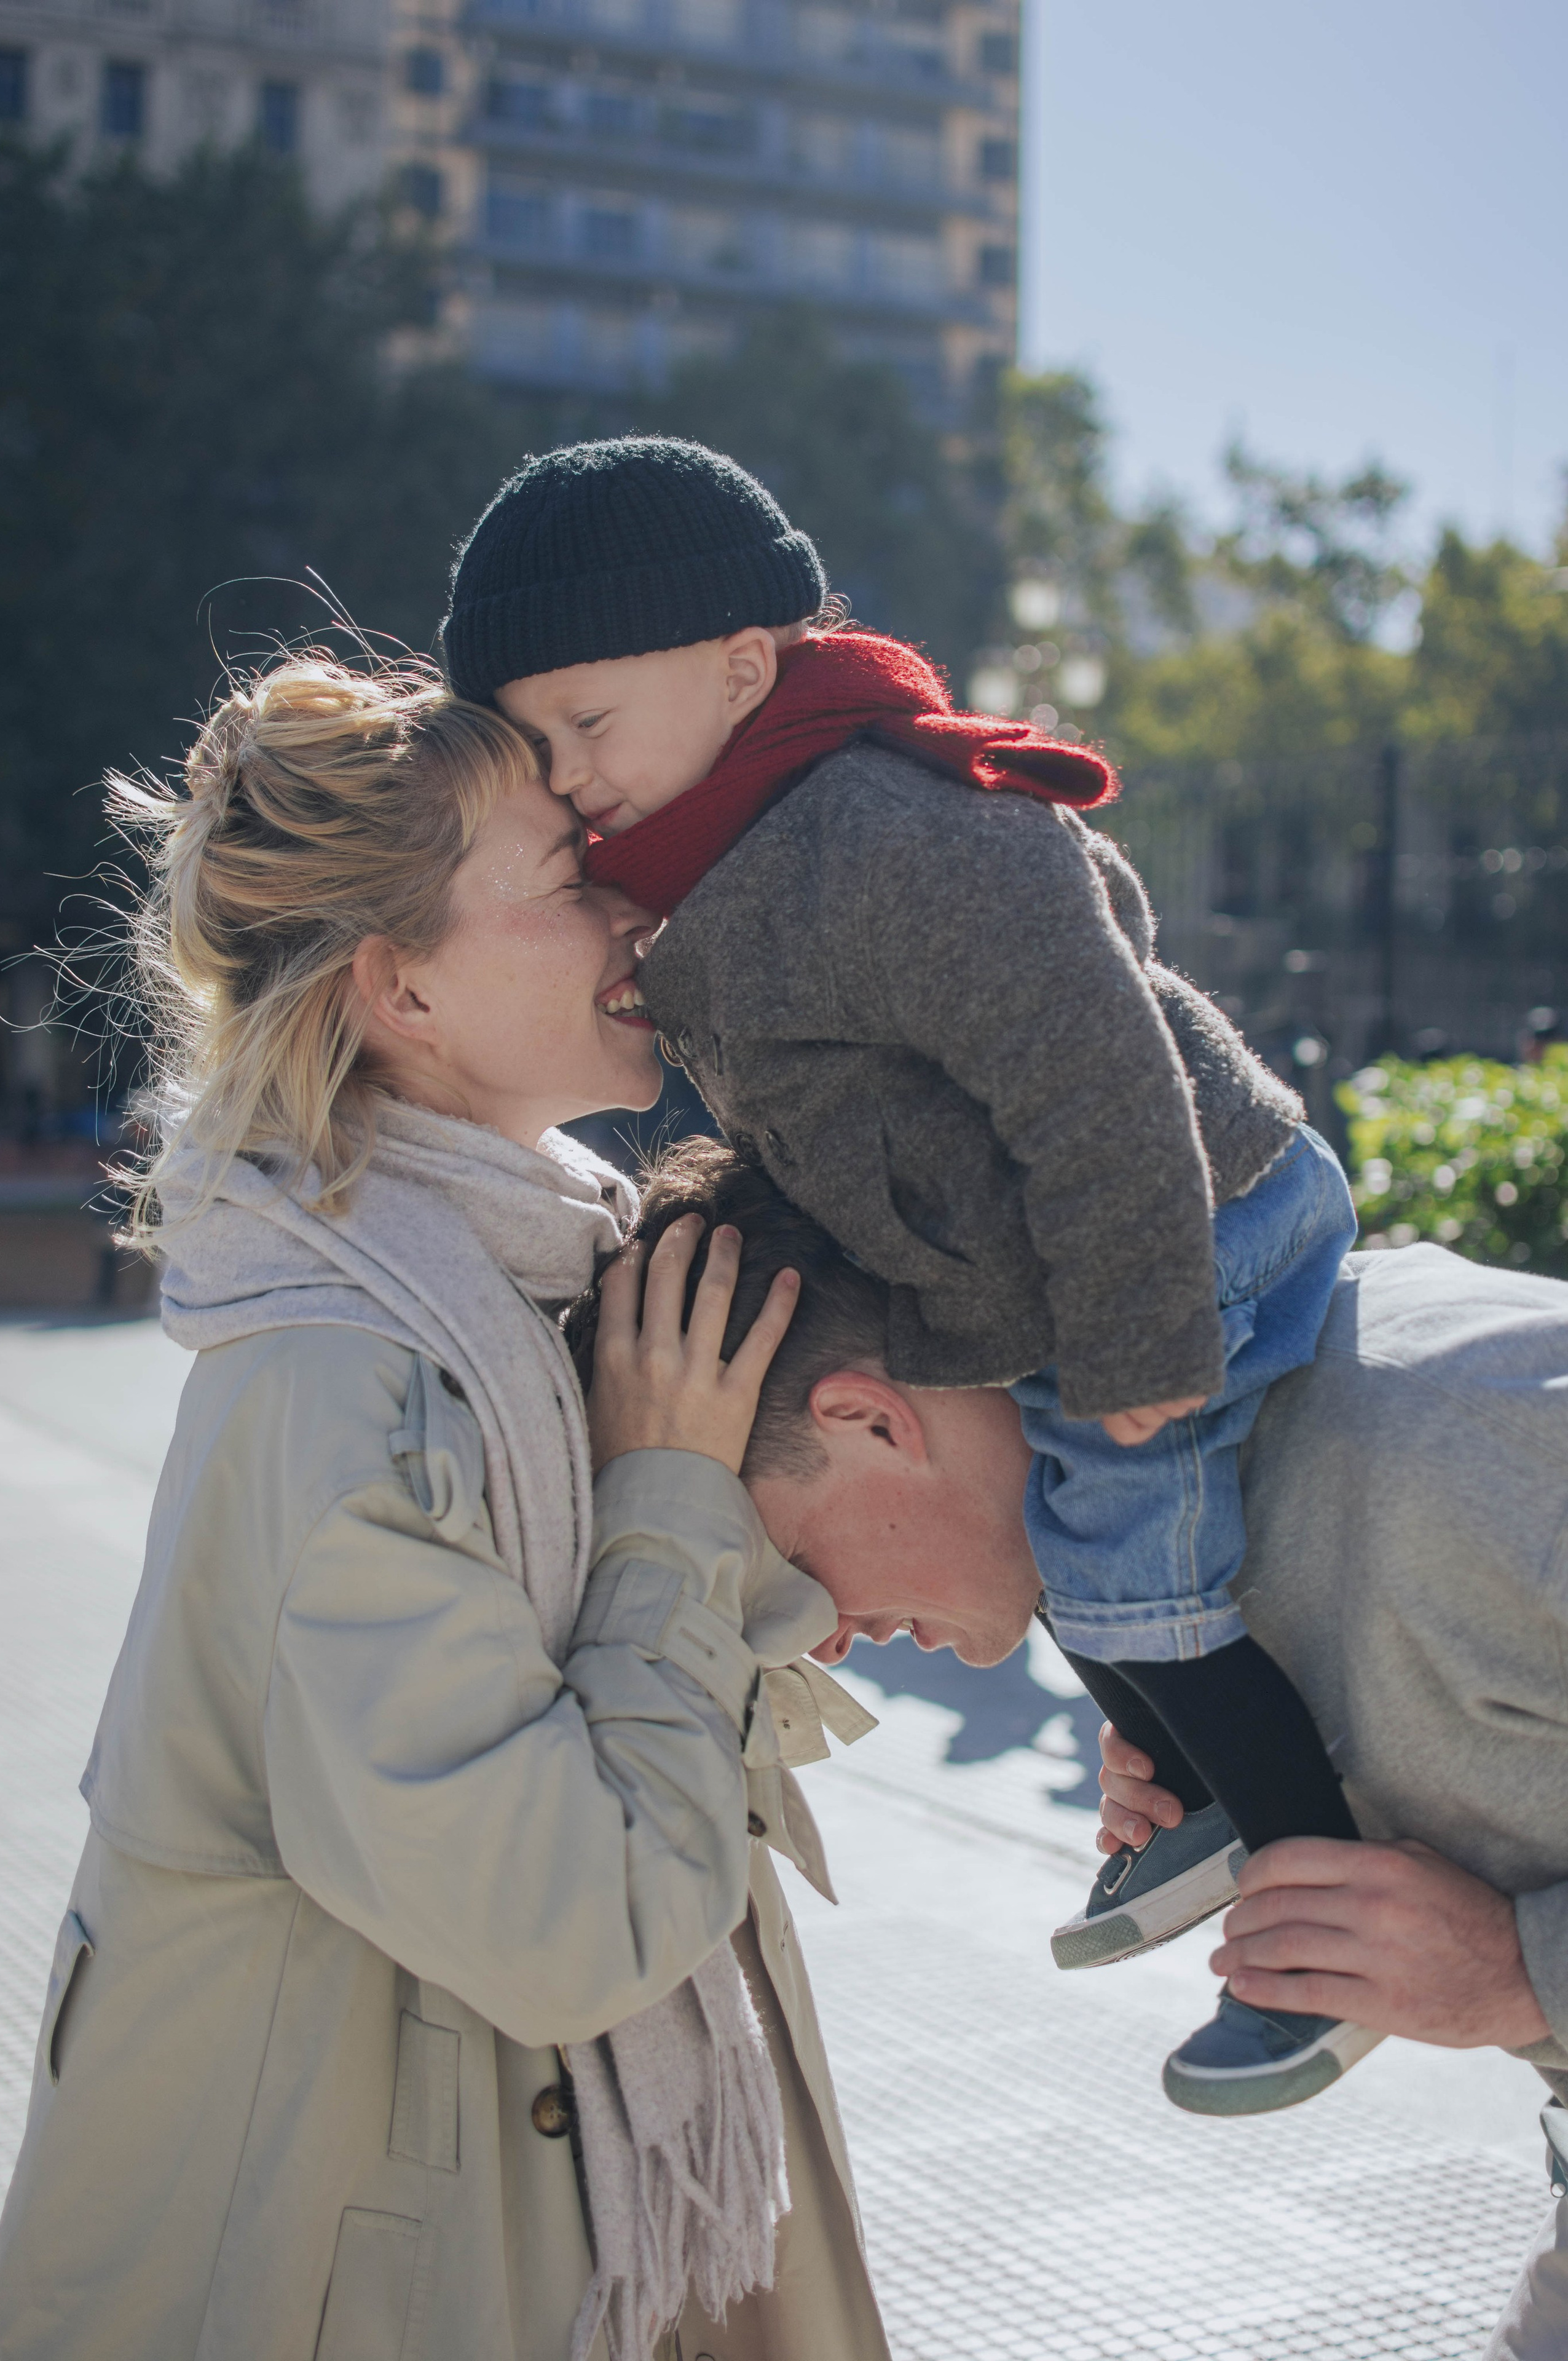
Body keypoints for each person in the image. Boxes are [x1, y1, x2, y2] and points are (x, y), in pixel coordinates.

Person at [443, 433, 1365, 2111]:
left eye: (587, 724)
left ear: (739, 668)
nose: (565, 773)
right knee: (1103, 1569)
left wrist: (1138, 1322)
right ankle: (1197, 1787)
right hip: (1085, 1253)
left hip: (1195, 1226)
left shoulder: (880, 829)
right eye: (535, 743)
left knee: (1118, 1553)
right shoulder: (731, 863)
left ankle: (1326, 1921)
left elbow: (1094, 1060)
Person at [0, 657, 893, 2361]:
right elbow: (576, 1928)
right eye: (565, 883)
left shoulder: (533, 1291)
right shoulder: (345, 1392)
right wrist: (670, 1505)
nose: (630, 902)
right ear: (400, 991)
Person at [580, 1137, 1568, 2355]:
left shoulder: (1455, 1441)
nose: (817, 1643)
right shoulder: (1180, 1571)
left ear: (867, 1422)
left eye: (776, 1571)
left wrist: (1517, 1972)